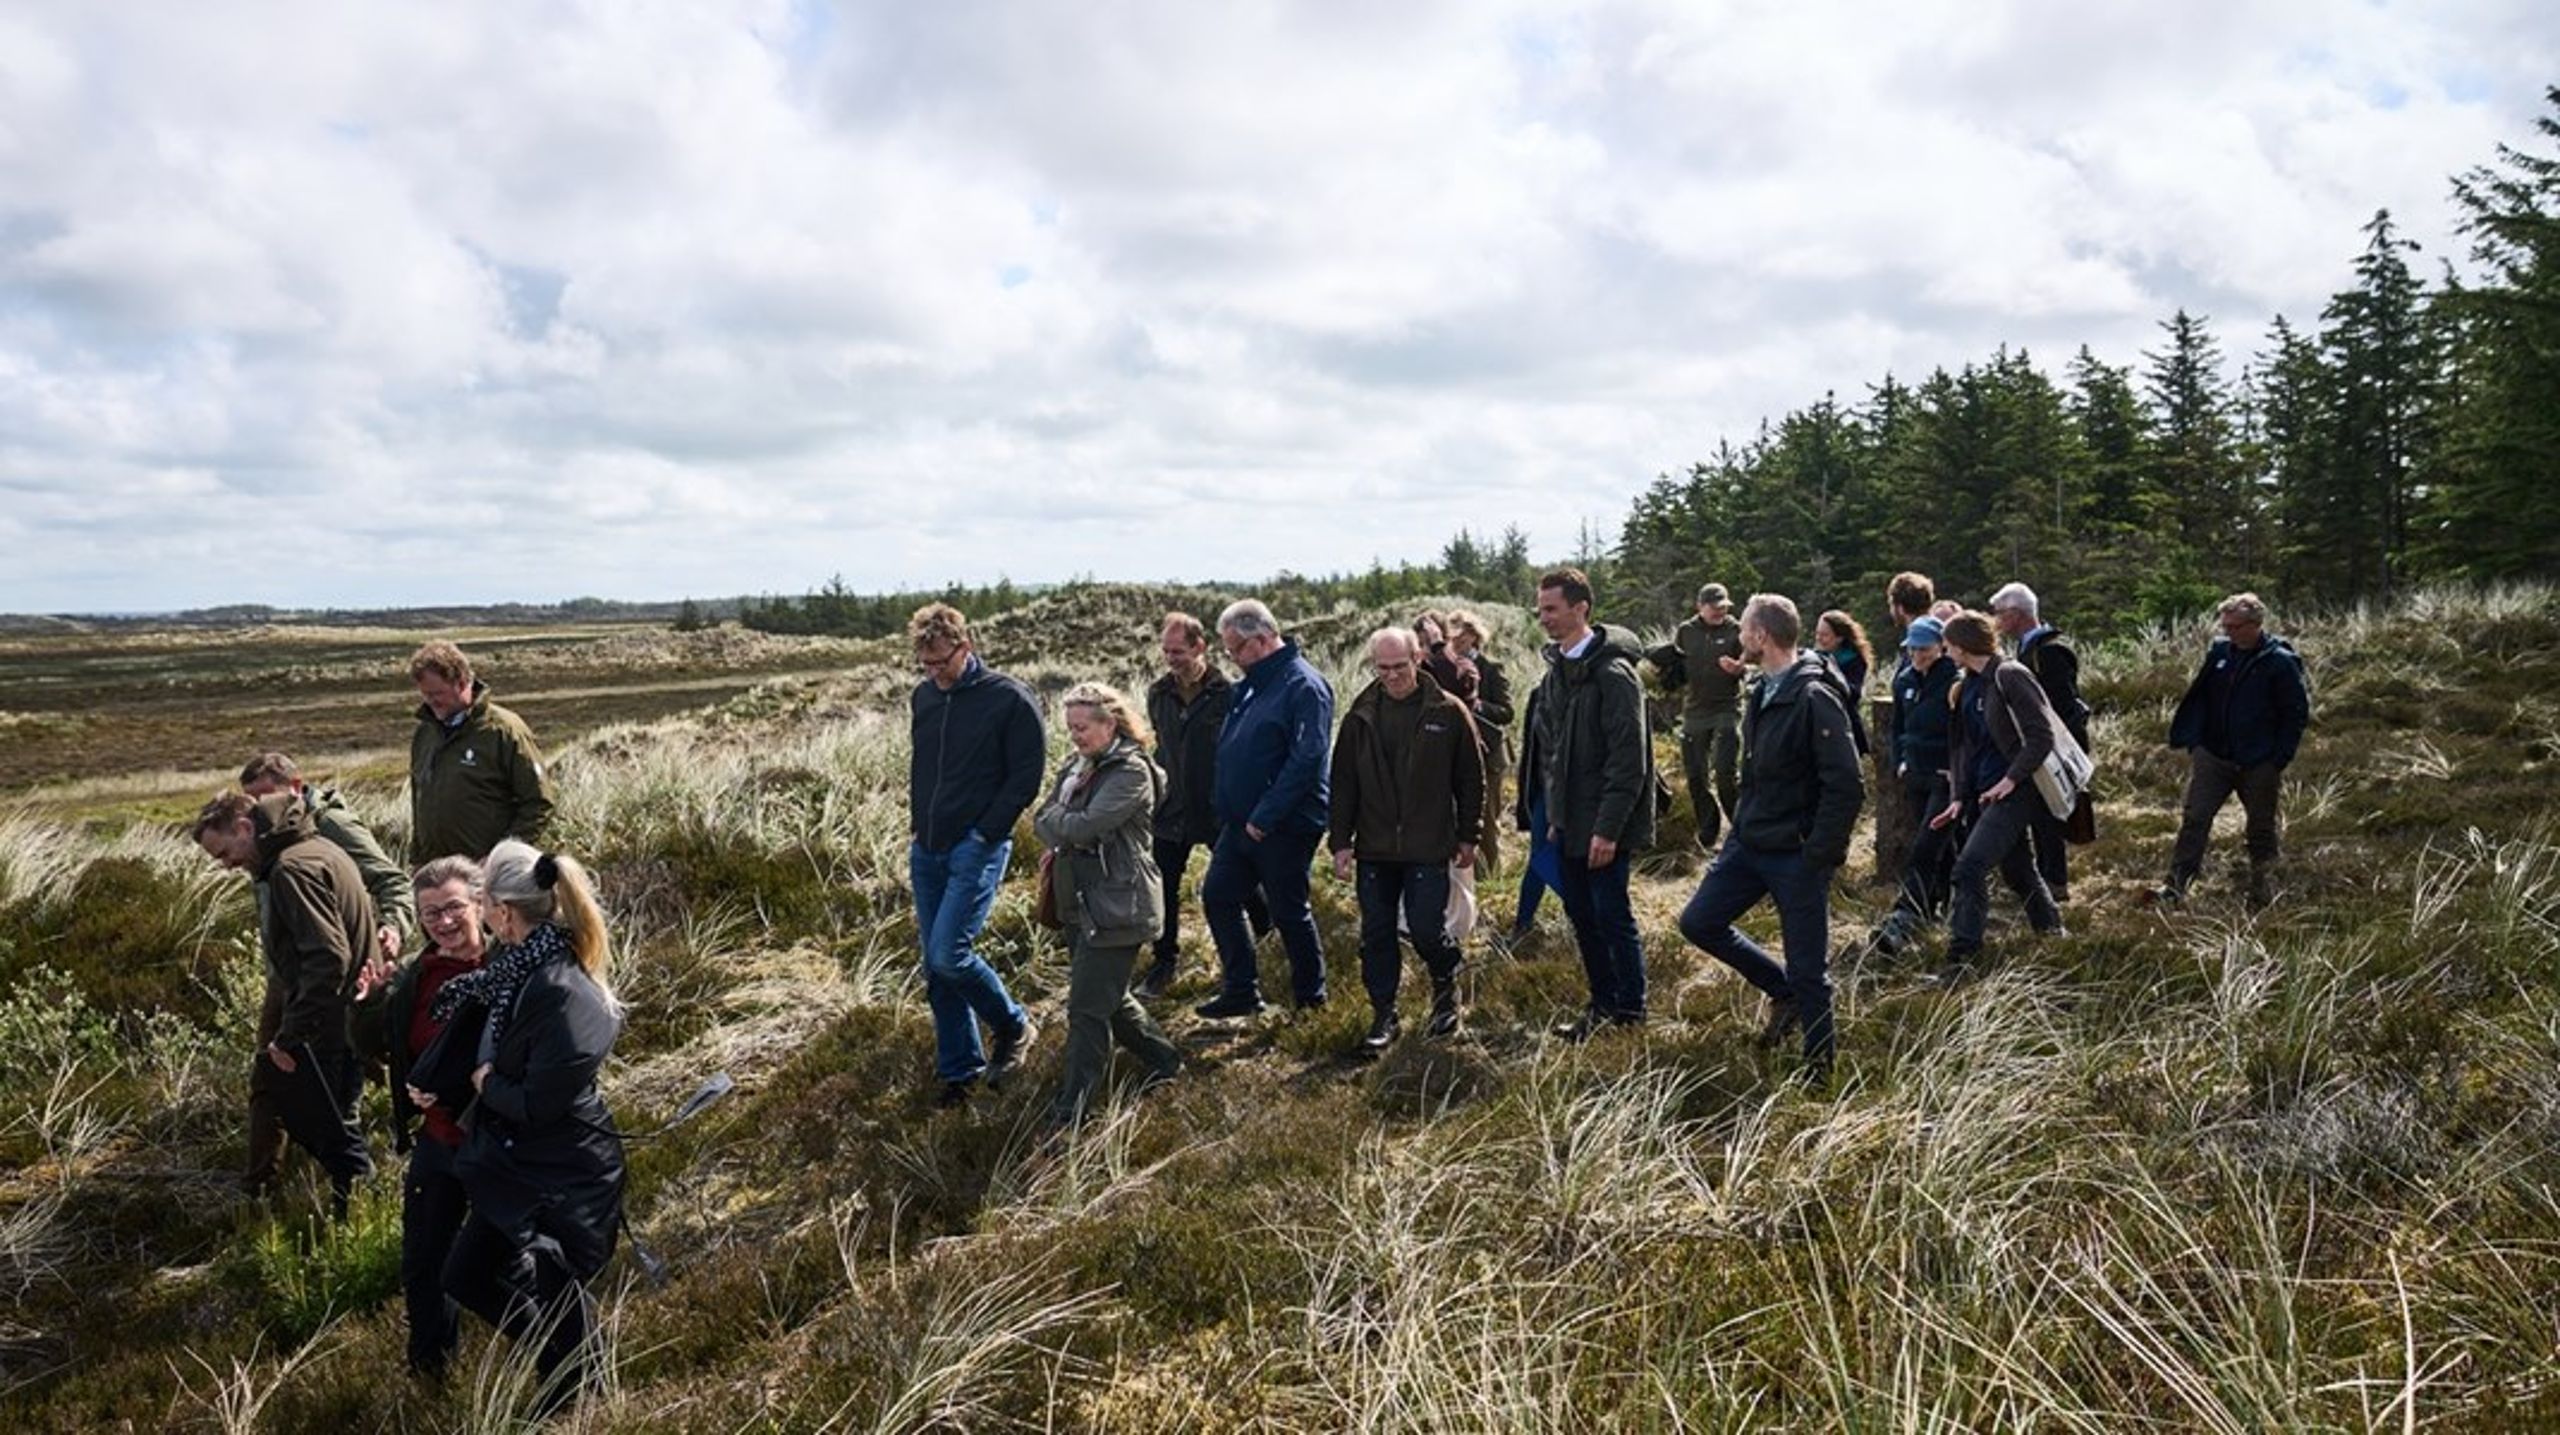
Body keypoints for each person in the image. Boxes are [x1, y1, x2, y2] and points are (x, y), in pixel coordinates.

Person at [432, 841, 623, 1418]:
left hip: (566, 1172)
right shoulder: (515, 969)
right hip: (518, 1163)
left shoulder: (563, 990)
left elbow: (539, 1101)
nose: (477, 908)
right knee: (466, 1275)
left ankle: (576, 1393)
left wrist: (488, 1086)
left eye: (482, 898)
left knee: (557, 1287)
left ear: (503, 912)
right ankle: (571, 1363)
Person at [1676, 595, 1865, 1082]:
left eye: (1746, 630)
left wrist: (1819, 853)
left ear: (1761, 637)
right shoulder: (1763, 689)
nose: (1740, 637)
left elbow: (1846, 784)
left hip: (1796, 853)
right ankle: (1782, 993)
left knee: (1810, 971)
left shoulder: (1813, 695)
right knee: (1699, 922)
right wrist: (1739, 831)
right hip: (1750, 842)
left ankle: (1820, 1072)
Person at [235, 751, 414, 1196]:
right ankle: (263, 1187)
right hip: (290, 975)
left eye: (263, 797)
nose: (255, 810)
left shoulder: (328, 828)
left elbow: (391, 880)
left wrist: (393, 925)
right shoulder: (265, 837)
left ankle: (358, 1181)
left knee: (343, 1074)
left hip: (335, 975)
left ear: (294, 787)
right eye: (248, 801)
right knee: (273, 1077)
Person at [193, 791, 375, 1213]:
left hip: (330, 1024)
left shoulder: (291, 870)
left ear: (244, 827)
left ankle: (358, 1220)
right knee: (337, 1123)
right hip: (350, 1014)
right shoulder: (318, 848)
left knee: (328, 1131)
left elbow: (328, 959)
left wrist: (291, 1035)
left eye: (224, 852)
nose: (226, 865)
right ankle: (354, 1215)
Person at [906, 603, 1040, 1105]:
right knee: (934, 966)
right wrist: (919, 828)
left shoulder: (1008, 699)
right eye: (925, 665)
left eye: (942, 662)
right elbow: (924, 769)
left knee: (949, 954)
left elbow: (1026, 774)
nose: (934, 673)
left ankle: (1013, 1025)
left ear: (966, 647)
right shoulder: (924, 698)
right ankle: (959, 1071)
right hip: (928, 848)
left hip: (975, 847)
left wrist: (986, 832)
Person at [1033, 684, 1184, 1126]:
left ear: (1109, 723)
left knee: (1085, 1009)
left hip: (1118, 906)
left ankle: (1073, 1107)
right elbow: (1046, 817)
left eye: (1082, 728)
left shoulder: (1130, 773)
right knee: (1109, 998)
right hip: (1080, 901)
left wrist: (1059, 825)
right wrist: (1061, 824)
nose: (1075, 737)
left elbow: (1081, 826)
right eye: (1070, 728)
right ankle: (1166, 1060)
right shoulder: (1080, 765)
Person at [1329, 628, 1484, 1049]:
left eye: (1400, 666)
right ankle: (1384, 1015)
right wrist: (1340, 842)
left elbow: (1471, 778)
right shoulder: (1359, 716)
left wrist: (1470, 835)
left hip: (1429, 844)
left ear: (1418, 658)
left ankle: (1445, 989)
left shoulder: (1448, 712)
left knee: (1426, 929)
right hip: (1375, 847)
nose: (1392, 676)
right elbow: (1342, 784)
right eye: (1383, 668)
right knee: (1376, 934)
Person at [1524, 569, 1655, 1039]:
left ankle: (1631, 1014)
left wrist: (1608, 829)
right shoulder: (1557, 672)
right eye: (1540, 610)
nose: (1544, 619)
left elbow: (1628, 761)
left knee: (1611, 916)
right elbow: (1554, 756)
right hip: (1569, 823)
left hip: (1604, 826)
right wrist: (1557, 820)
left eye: (1551, 609)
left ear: (1580, 609)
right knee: (1581, 915)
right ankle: (1601, 1005)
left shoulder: (1615, 676)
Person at [1194, 600, 1335, 1018]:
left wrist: (1265, 816)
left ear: (1261, 639)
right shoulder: (1252, 683)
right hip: (1240, 824)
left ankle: (1311, 1001)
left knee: (1289, 911)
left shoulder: (1303, 685)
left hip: (1283, 825)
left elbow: (1307, 759)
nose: (1230, 658)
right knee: (1218, 895)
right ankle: (1241, 990)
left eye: (1234, 648)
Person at [384, 855, 488, 1378]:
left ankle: (557, 1359)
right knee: (424, 1262)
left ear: (480, 904)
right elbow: (393, 1049)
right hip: (437, 1142)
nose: (443, 923)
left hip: (496, 1144)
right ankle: (430, 1373)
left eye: (453, 908)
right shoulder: (416, 978)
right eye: (429, 915)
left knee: (503, 1265)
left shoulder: (509, 966)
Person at [1929, 612, 2073, 983]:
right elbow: (1962, 747)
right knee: (2017, 868)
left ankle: (1962, 958)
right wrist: (1959, 796)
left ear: (1961, 645)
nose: (1945, 652)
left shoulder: (2010, 676)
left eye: (1948, 645)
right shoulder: (1966, 686)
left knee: (1969, 868)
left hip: (2017, 791)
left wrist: (2011, 779)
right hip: (1982, 794)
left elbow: (2041, 735)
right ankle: (2052, 930)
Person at [2156, 592, 2312, 909]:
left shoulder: (2279, 662)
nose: (2228, 632)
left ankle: (2265, 891)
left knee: (2260, 828)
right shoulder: (2219, 653)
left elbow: (2295, 713)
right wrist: (2196, 741)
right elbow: (2199, 695)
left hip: (2258, 761)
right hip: (2214, 755)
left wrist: (2278, 758)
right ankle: (2175, 888)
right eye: (2225, 625)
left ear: (2255, 625)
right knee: (2195, 819)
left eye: (2235, 626)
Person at [1140, 612, 1259, 999]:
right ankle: (1164, 961)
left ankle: (1268, 943)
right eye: (1166, 651)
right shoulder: (1158, 694)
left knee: (1243, 883)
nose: (1172, 658)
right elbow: (1161, 746)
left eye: (1179, 651)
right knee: (1164, 889)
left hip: (1218, 809)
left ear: (1200, 647)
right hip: (1171, 811)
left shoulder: (1230, 694)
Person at [408, 641, 555, 863]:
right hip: (437, 875)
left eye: (437, 693)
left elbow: (538, 803)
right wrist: (418, 860)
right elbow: (418, 800)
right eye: (425, 695)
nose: (430, 702)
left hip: (489, 876)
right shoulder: (424, 734)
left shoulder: (505, 730)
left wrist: (500, 858)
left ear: (462, 683)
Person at [1989, 582, 2091, 902]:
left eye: (2001, 614)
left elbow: (2061, 707)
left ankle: (2055, 883)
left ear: (2017, 615)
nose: (1997, 621)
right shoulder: (2028, 649)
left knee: (2051, 816)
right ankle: (2046, 880)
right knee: (2041, 815)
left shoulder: (2049, 652)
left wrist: (2055, 750)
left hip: (2052, 749)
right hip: (2041, 747)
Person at [1866, 615, 1959, 956]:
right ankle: (1941, 904)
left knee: (1925, 846)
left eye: (1924, 648)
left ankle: (1905, 916)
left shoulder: (1953, 678)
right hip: (1915, 773)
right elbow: (1898, 727)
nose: (1917, 655)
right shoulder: (1903, 678)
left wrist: (1956, 769)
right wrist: (1900, 760)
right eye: (1912, 648)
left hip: (1946, 776)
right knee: (1942, 848)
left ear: (1941, 646)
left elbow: (1962, 730)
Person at [1656, 584, 1745, 848]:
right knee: (1696, 776)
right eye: (1715, 606)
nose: (1721, 611)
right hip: (1695, 710)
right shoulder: (1686, 631)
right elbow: (1675, 663)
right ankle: (1709, 831)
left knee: (1725, 771)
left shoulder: (1735, 629)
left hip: (1727, 707)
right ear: (1700, 606)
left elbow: (1751, 660)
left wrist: (1739, 668)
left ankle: (1741, 829)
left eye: (1724, 606)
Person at [1444, 610, 1514, 870]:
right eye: (1449, 635)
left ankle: (1491, 877)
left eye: (1459, 635)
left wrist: (1476, 705)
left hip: (1490, 757)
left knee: (1486, 822)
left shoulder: (1492, 667)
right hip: (1456, 755)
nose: (1454, 640)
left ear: (1473, 636)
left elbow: (1507, 713)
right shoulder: (1445, 668)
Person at [1812, 609, 1876, 756]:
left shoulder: (1854, 660)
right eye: (1817, 634)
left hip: (1845, 726)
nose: (1819, 639)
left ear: (1839, 638)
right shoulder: (1815, 659)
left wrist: (1831, 675)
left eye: (1825, 635)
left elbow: (1853, 694)